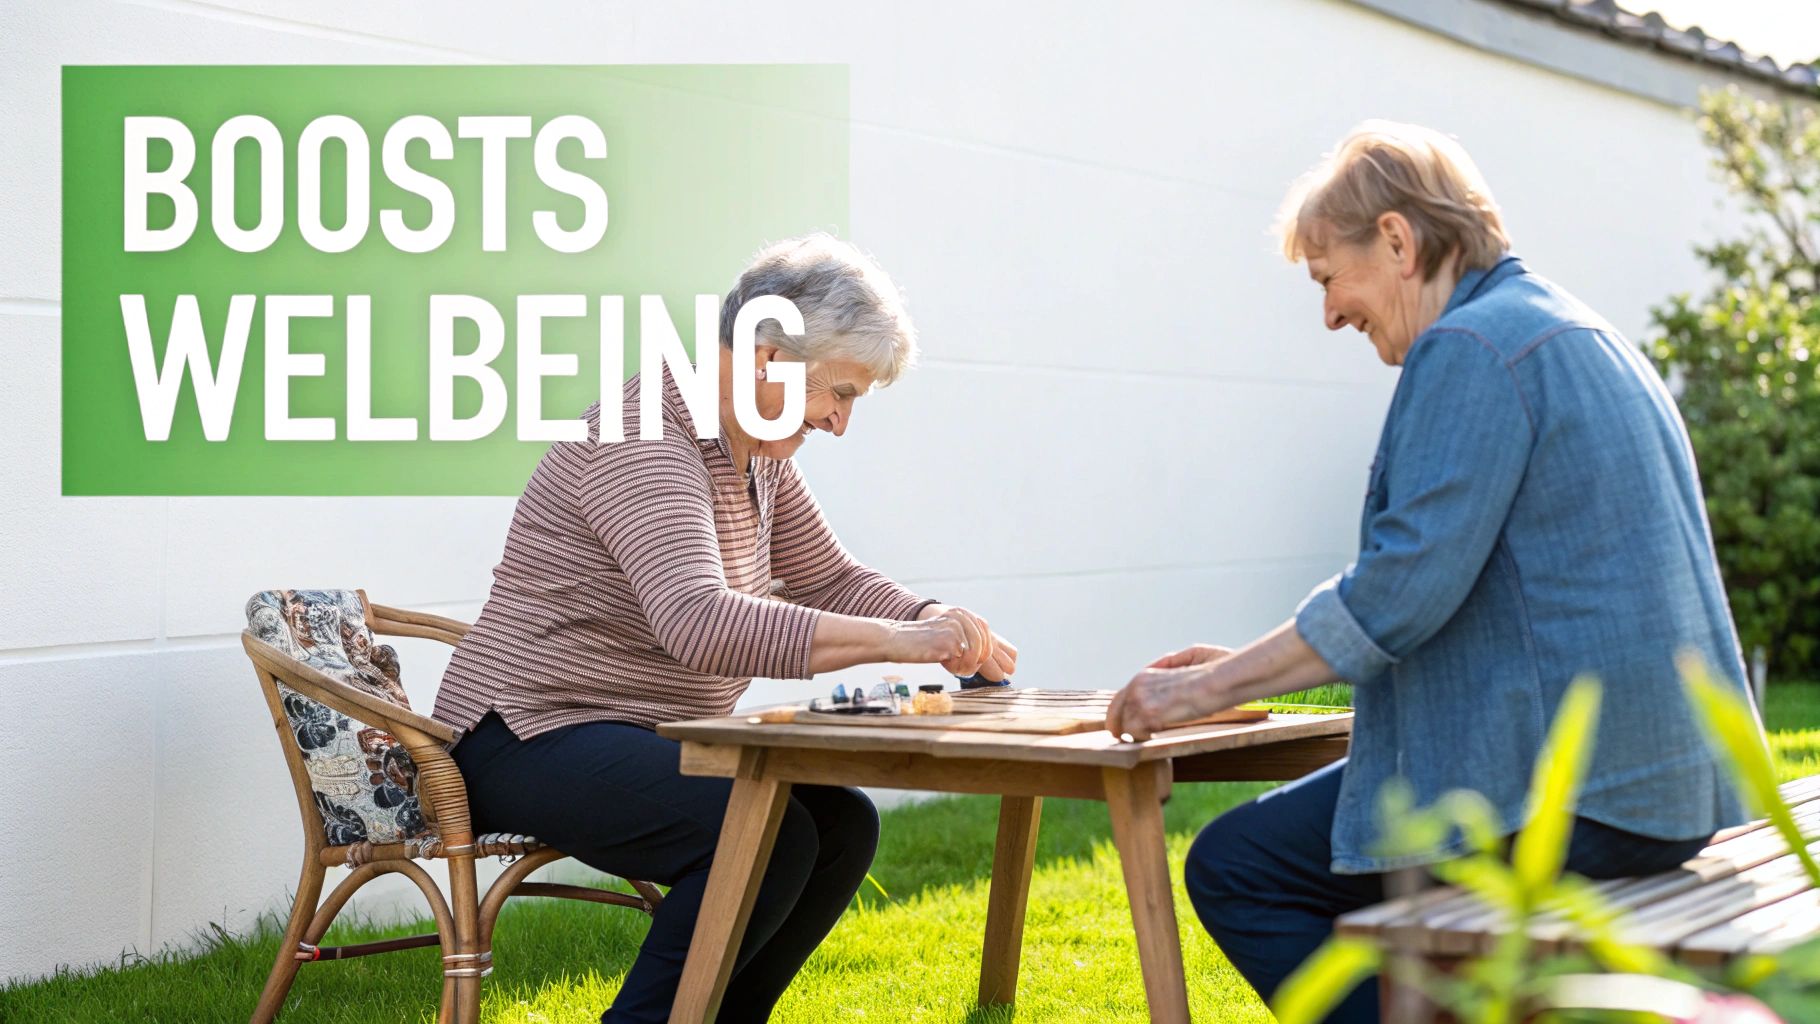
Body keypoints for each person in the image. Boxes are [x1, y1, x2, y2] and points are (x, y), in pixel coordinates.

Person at [1105, 121, 1755, 1022]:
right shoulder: (1568, 328)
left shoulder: (1472, 346)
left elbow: (1395, 600)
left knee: (1239, 866)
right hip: (1664, 786)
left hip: (1583, 798)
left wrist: (1197, 692)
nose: (1330, 314)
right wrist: (1257, 666)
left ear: (1398, 242)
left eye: (1328, 278)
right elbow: (1490, 610)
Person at [433, 233, 1017, 1023]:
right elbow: (698, 621)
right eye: (840, 393)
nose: (840, 423)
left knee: (841, 824)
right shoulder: (643, 433)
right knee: (764, 832)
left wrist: (926, 617)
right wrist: (893, 645)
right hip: (527, 733)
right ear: (768, 358)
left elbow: (827, 576)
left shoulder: (756, 450)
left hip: (636, 734)